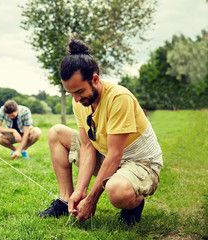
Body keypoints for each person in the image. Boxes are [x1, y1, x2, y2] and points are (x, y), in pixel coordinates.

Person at [37, 39, 163, 225]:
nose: (76, 99)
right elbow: (88, 146)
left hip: (140, 163)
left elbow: (115, 155)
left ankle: (134, 203)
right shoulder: (79, 101)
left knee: (116, 190)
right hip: (106, 156)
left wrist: (91, 200)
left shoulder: (119, 98)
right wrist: (80, 191)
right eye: (71, 93)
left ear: (95, 79)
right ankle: (65, 201)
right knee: (56, 132)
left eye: (79, 91)